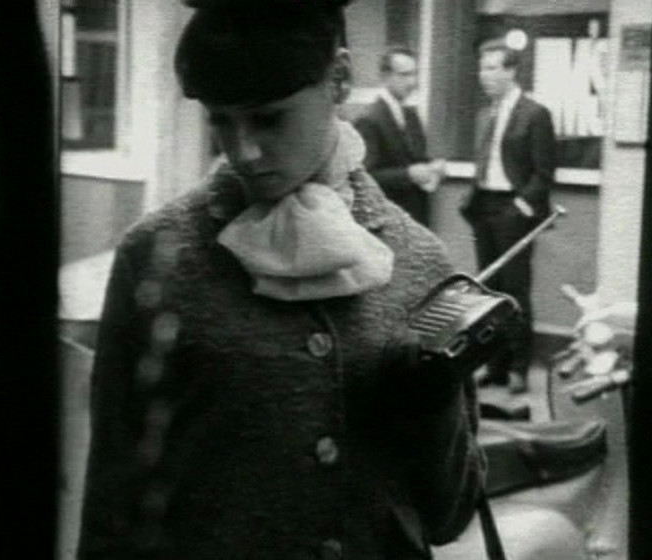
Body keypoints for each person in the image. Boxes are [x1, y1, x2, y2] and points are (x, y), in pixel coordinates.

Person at [77, 1, 484, 558]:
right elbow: (113, 500)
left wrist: (433, 399)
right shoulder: (156, 255)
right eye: (220, 120)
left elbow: (448, 514)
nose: (243, 150)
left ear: (339, 78)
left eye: (268, 118)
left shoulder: (421, 261)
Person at [460, 37, 557, 395]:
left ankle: (518, 366)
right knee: (488, 291)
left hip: (514, 211)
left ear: (511, 70)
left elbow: (544, 174)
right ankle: (494, 364)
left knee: (515, 291)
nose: (483, 76)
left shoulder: (535, 114)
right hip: (484, 207)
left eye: (491, 68)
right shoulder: (485, 115)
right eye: (481, 68)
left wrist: (521, 208)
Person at [353, 46, 445, 227]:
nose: (412, 82)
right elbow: (366, 177)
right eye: (404, 75)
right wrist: (408, 175)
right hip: (388, 221)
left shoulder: (411, 115)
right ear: (385, 77)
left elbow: (417, 158)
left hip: (416, 218)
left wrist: (433, 168)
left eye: (414, 74)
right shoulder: (369, 120)